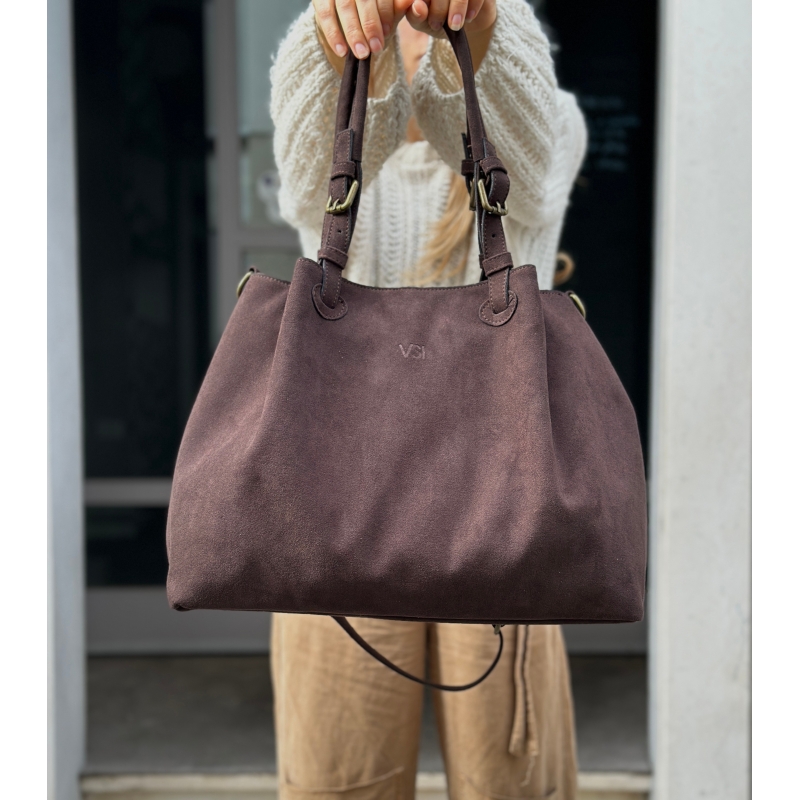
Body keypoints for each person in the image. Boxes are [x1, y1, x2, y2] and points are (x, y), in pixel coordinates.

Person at [269, 1, 587, 798]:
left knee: (511, 783)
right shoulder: (337, 78)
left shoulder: (538, 100)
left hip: (502, 501)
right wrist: (338, 39)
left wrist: (481, 28)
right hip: (339, 504)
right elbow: (310, 192)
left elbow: (526, 177)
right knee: (339, 779)